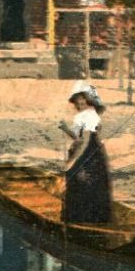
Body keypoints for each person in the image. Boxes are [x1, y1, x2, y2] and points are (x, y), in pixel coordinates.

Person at [59, 80, 112, 224]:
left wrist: (72, 163)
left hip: (89, 157)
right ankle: (92, 220)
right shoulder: (84, 116)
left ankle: (80, 222)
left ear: (89, 101)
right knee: (91, 187)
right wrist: (65, 128)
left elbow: (85, 141)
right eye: (77, 102)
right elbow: (78, 137)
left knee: (80, 183)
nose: (78, 105)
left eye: (82, 101)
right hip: (92, 155)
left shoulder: (89, 115)